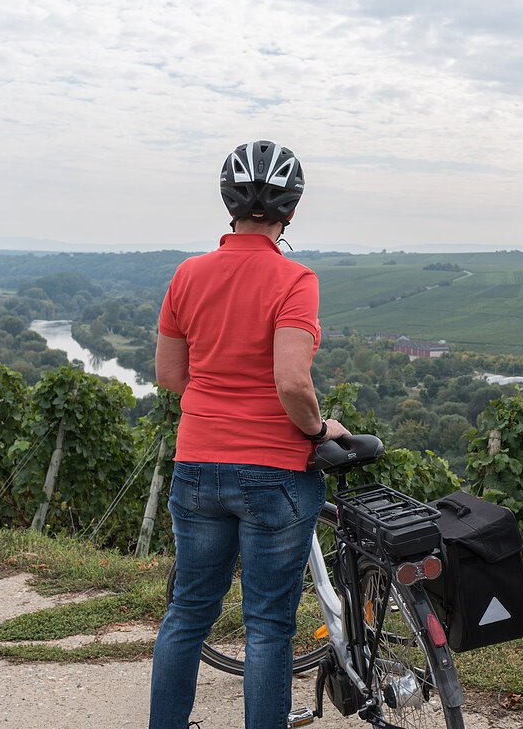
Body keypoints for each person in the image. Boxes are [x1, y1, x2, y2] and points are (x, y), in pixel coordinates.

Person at [149, 140, 347, 729]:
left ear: (228, 203)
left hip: (198, 464)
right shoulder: (295, 279)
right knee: (267, 625)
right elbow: (292, 381)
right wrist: (318, 428)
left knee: (187, 613)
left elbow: (168, 376)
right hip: (275, 472)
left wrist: (218, 410)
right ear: (291, 210)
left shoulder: (188, 274)